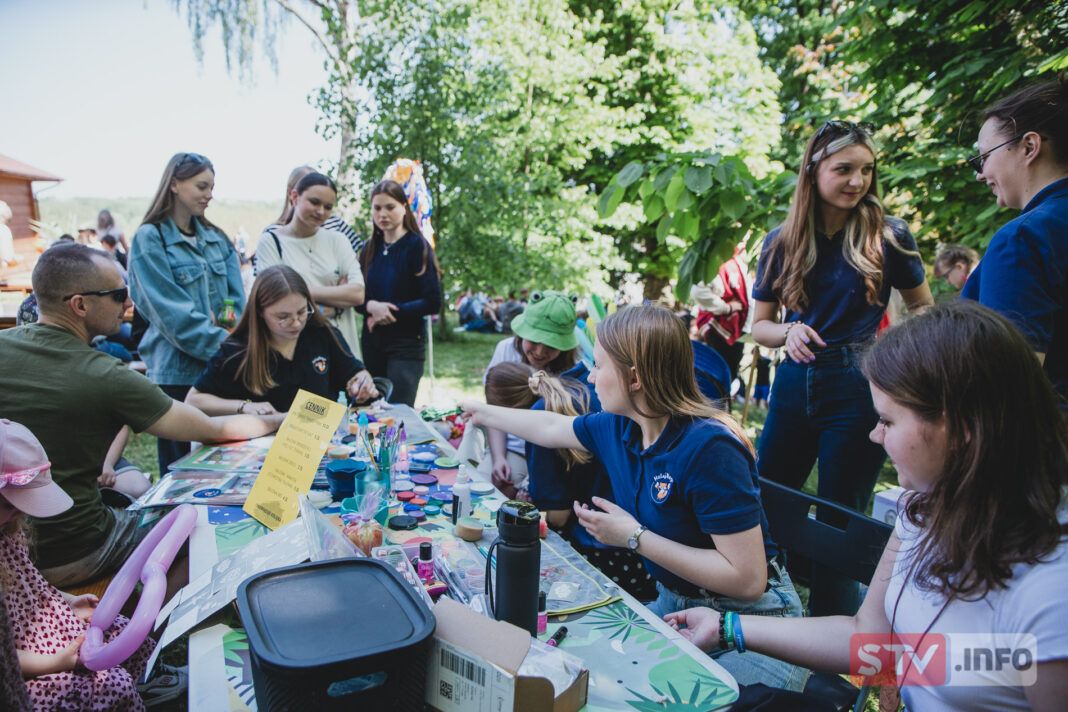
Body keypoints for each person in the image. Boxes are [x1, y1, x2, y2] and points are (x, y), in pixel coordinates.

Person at [667, 301, 1068, 711]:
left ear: (962, 428)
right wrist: (726, 627)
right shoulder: (924, 512)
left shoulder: (1050, 591)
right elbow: (870, 640)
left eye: (888, 421)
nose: (875, 436)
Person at [463, 306, 807, 691]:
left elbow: (747, 580)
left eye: (598, 364)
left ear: (635, 377)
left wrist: (633, 537)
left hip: (752, 624)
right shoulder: (621, 426)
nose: (590, 376)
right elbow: (548, 425)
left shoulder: (709, 448)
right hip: (676, 606)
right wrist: (482, 412)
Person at [0, 244, 283, 590]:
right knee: (201, 523)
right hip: (75, 550)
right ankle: (151, 624)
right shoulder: (105, 374)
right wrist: (280, 419)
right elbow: (211, 429)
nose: (129, 305)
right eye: (119, 295)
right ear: (80, 305)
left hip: (10, 548)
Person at [750, 120, 933, 616]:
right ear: (813, 170)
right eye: (844, 169)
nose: (858, 181)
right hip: (792, 383)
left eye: (867, 170)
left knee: (839, 516)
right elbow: (758, 326)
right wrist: (787, 332)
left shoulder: (890, 235)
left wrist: (894, 356)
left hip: (858, 385)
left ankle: (835, 648)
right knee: (768, 501)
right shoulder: (781, 240)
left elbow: (923, 309)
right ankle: (763, 610)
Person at [1, 419, 186, 710]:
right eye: (10, 505)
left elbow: (28, 581)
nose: (17, 515)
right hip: (22, 662)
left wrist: (68, 599)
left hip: (46, 628)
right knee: (106, 685)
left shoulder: (9, 532)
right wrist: (55, 663)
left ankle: (139, 685)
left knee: (120, 630)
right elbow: (6, 661)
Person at [128, 152, 247, 474]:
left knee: (225, 461)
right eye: (202, 186)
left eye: (211, 187)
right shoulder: (149, 239)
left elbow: (233, 302)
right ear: (175, 184)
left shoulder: (217, 239)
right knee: (181, 469)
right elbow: (169, 312)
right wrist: (225, 347)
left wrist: (226, 331)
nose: (209, 195)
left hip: (220, 369)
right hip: (176, 375)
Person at [961, 76, 1068, 402]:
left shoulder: (1023, 239)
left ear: (1029, 146)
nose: (980, 173)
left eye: (983, 157)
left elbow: (1010, 383)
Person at [187, 265, 377, 415]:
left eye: (302, 312)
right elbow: (194, 400)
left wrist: (361, 383)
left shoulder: (322, 333)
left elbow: (355, 373)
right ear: (260, 312)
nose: (295, 323)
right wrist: (243, 407)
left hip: (319, 444)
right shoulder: (237, 350)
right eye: (283, 317)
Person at [256, 171, 365, 359]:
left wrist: (301, 292)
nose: (321, 211)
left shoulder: (338, 240)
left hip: (340, 345)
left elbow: (357, 294)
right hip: (294, 349)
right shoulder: (271, 241)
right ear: (295, 197)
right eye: (314, 202)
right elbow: (273, 298)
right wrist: (330, 304)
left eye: (328, 206)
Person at [482, 291, 579, 494]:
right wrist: (499, 457)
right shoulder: (505, 349)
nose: (540, 352)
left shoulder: (574, 368)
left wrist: (530, 480)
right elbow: (494, 408)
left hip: (549, 453)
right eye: (534, 341)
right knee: (484, 486)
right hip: (510, 445)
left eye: (552, 346)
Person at [357, 180, 442, 407]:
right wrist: (371, 307)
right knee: (370, 410)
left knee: (397, 411)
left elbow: (432, 301)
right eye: (377, 208)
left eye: (390, 207)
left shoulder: (417, 246)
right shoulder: (369, 249)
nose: (383, 214)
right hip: (372, 342)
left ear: (404, 207)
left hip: (406, 344)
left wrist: (389, 310)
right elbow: (357, 296)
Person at [275, 165, 365, 257]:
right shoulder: (274, 233)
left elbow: (354, 261)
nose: (320, 212)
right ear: (292, 194)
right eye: (314, 202)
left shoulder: (337, 224)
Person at [690, 244, 749, 382]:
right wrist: (726, 308)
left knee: (730, 371)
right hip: (720, 326)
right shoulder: (719, 262)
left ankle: (723, 402)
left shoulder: (740, 262)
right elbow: (698, 291)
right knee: (717, 372)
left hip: (737, 328)